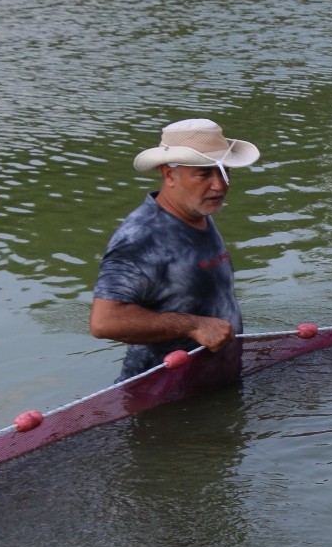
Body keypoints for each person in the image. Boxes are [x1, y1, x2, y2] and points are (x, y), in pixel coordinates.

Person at [90, 118, 260, 381]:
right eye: (204, 173)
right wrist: (195, 325)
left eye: (224, 171)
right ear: (169, 174)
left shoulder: (198, 212)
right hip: (161, 399)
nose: (219, 185)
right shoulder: (141, 237)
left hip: (212, 388)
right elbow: (104, 322)